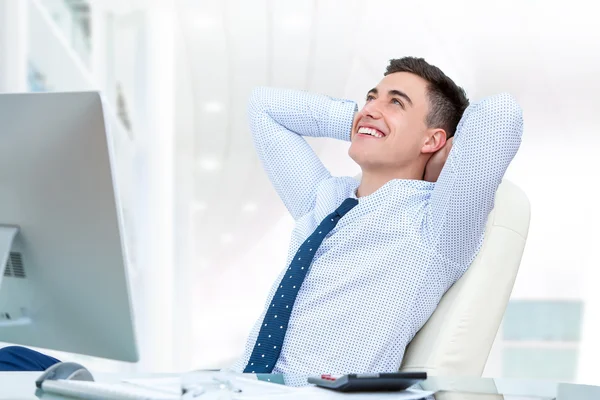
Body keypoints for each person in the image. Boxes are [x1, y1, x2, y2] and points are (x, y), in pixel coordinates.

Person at [0, 57, 523, 374]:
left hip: (307, 397)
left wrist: (431, 155)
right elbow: (264, 107)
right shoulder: (323, 200)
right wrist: (368, 121)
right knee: (16, 362)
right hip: (235, 384)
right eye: (370, 96)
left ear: (437, 139)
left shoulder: (438, 225)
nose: (371, 106)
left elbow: (501, 115)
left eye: (396, 101)